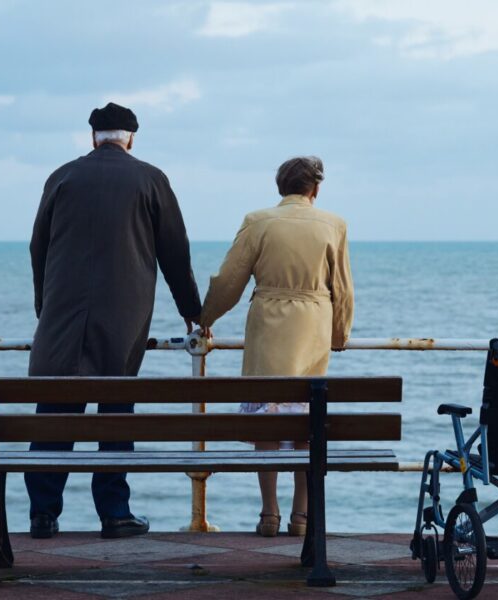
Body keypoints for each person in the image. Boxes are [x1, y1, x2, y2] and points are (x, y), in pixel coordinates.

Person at [25, 102, 202, 539]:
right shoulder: (150, 179)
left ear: (93, 137)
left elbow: (38, 248)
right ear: (131, 139)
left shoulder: (61, 177)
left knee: (54, 414)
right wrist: (193, 313)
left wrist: (43, 306)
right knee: (116, 413)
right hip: (123, 320)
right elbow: (175, 254)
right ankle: (113, 512)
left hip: (62, 319)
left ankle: (43, 514)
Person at [198, 156, 354, 537]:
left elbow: (229, 280)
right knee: (306, 423)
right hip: (313, 324)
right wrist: (339, 334)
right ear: (315, 188)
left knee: (266, 419)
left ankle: (269, 514)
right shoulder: (333, 224)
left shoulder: (258, 221)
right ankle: (301, 518)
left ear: (279, 187)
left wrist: (205, 319)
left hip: (268, 322)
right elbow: (343, 289)